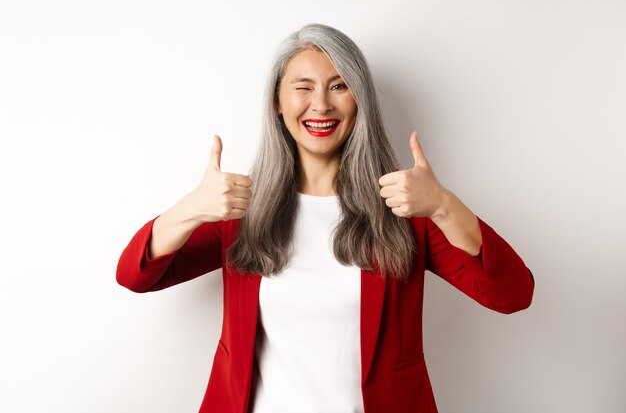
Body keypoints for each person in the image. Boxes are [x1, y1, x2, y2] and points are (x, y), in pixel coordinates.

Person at [116, 23, 535, 413]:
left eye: (340, 86)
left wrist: (444, 204)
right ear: (278, 102)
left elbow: (512, 295)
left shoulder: (405, 211)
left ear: (361, 101)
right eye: (303, 87)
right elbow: (136, 276)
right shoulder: (242, 211)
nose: (321, 104)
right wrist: (191, 208)